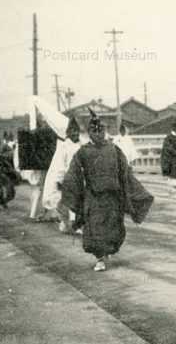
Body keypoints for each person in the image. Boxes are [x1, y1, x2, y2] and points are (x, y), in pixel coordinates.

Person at [62, 109, 154, 272]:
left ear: (103, 132)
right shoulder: (84, 152)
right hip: (95, 197)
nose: (97, 133)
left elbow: (125, 173)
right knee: (95, 227)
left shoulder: (113, 150)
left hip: (112, 197)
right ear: (90, 132)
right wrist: (73, 192)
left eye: (100, 130)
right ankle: (100, 258)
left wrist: (133, 191)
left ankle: (105, 253)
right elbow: (73, 175)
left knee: (111, 227)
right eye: (94, 130)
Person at [42, 117, 82, 233]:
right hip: (67, 178)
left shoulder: (79, 146)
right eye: (73, 131)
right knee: (67, 202)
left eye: (77, 131)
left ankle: (72, 224)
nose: (75, 133)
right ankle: (67, 224)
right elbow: (58, 165)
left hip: (78, 178)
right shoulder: (64, 147)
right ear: (68, 133)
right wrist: (60, 180)